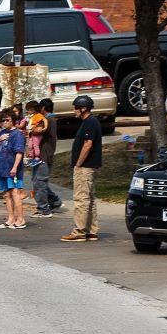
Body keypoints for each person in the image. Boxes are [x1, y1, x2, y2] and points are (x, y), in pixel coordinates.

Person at [62, 95, 103, 242]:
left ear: (83, 108)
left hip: (85, 167)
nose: (74, 110)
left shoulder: (90, 122)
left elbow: (88, 144)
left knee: (81, 199)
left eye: (76, 107)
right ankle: (91, 230)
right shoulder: (90, 122)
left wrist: (78, 164)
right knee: (89, 200)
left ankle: (79, 232)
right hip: (89, 166)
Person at [0, 107, 27, 229]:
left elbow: (19, 152)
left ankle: (20, 219)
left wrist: (14, 168)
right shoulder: (1, 133)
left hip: (12, 168)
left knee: (15, 192)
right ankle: (11, 218)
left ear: (13, 120)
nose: (5, 122)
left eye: (7, 120)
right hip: (2, 168)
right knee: (7, 194)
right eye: (3, 120)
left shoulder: (17, 134)